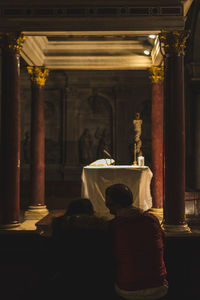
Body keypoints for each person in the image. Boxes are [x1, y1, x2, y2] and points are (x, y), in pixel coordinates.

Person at [105, 184, 168, 300]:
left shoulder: (115, 226)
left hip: (129, 288)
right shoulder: (151, 219)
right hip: (158, 285)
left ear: (118, 205)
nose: (109, 210)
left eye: (109, 205)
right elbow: (163, 242)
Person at [51, 198, 114, 300]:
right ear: (90, 211)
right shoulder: (100, 227)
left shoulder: (60, 225)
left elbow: (56, 251)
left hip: (67, 274)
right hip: (95, 276)